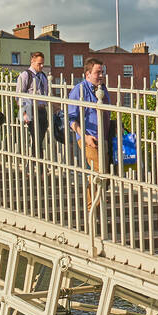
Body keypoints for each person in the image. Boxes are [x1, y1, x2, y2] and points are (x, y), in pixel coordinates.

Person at [68, 57, 115, 205]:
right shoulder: (79, 90)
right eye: (97, 72)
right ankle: (92, 207)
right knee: (98, 169)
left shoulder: (103, 88)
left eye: (102, 72)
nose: (101, 75)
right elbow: (71, 119)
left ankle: (98, 198)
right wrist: (85, 136)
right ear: (87, 74)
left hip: (105, 137)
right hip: (89, 137)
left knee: (106, 172)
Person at [16, 52, 50, 151]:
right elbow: (19, 95)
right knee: (36, 136)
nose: (42, 66)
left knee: (41, 135)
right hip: (31, 109)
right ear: (32, 61)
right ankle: (37, 161)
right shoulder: (25, 75)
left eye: (43, 63)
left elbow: (46, 93)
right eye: (39, 64)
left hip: (42, 109)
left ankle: (36, 159)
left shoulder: (43, 75)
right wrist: (24, 113)